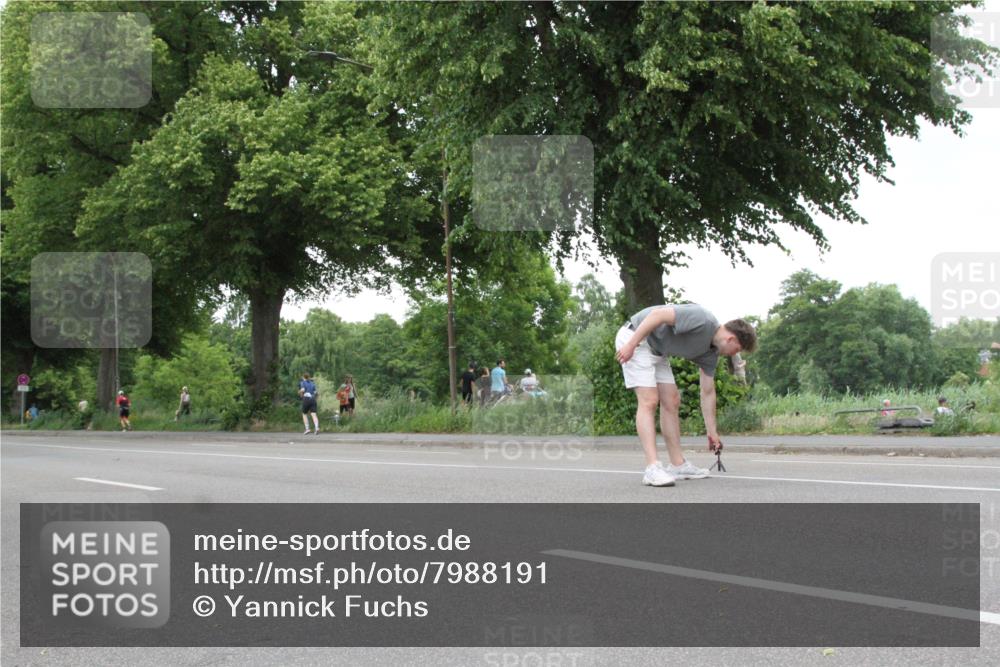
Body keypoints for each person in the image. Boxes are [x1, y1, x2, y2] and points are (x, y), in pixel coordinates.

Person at [615, 303, 756, 487]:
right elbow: (656, 316)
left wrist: (712, 432)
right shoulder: (702, 319)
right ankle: (652, 468)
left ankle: (677, 465)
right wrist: (631, 344)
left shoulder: (710, 353)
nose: (733, 354)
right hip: (636, 338)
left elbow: (707, 392)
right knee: (649, 399)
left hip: (658, 350)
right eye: (737, 350)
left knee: (672, 400)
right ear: (731, 339)